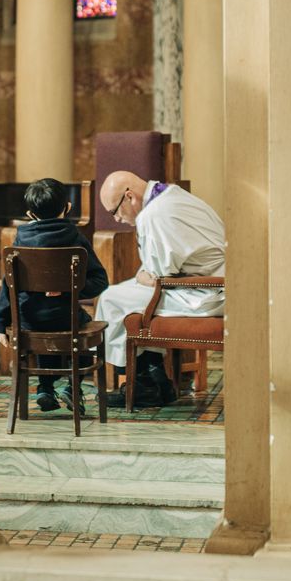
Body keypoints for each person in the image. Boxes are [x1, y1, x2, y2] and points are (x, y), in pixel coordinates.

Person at [94, 170, 225, 407]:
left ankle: (144, 384)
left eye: (115, 211)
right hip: (212, 283)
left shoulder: (154, 214)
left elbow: (157, 276)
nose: (117, 219)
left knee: (111, 299)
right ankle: (158, 380)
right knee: (126, 293)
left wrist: (144, 276)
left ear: (130, 197)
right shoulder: (174, 194)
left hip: (205, 291)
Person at [0, 177, 109, 414]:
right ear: (67, 207)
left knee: (45, 325)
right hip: (66, 319)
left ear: (30, 213)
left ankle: (45, 388)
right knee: (80, 326)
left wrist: (0, 322)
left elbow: (9, 285)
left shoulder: (20, 241)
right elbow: (100, 281)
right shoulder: (76, 238)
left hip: (28, 320)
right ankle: (72, 386)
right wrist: (70, 288)